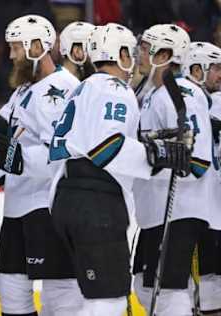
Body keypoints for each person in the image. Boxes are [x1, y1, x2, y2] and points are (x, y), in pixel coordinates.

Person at [48, 23, 192, 315]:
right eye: (132, 51)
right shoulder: (115, 88)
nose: (135, 59)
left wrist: (152, 140)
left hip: (67, 195)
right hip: (96, 202)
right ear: (121, 53)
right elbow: (106, 147)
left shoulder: (84, 87)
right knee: (108, 301)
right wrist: (158, 154)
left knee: (84, 298)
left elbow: (94, 140)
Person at [0, 15, 84, 315]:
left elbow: (62, 154)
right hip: (17, 205)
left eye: (16, 48)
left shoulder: (60, 89)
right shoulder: (24, 89)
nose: (11, 56)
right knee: (10, 288)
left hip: (47, 206)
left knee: (59, 294)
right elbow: (6, 133)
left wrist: (15, 158)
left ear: (37, 47)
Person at [132, 24, 213, 316]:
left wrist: (162, 151)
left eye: (145, 48)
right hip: (156, 209)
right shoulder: (154, 91)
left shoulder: (182, 92)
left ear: (164, 54)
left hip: (179, 209)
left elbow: (199, 159)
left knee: (168, 291)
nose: (139, 53)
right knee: (144, 285)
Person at [182, 41, 221, 315]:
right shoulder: (189, 99)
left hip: (213, 208)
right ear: (197, 69)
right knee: (204, 286)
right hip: (202, 210)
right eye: (217, 68)